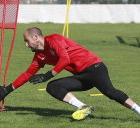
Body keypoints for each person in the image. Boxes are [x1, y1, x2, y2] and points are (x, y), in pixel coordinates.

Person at [0, 27, 140, 120]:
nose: (26, 45)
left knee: (110, 92)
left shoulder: (53, 39)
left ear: (36, 37)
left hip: (94, 67)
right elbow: (27, 74)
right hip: (81, 76)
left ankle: (138, 110)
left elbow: (65, 59)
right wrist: (7, 90)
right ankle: (83, 107)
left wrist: (47, 75)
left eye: (27, 41)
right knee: (52, 87)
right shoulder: (39, 56)